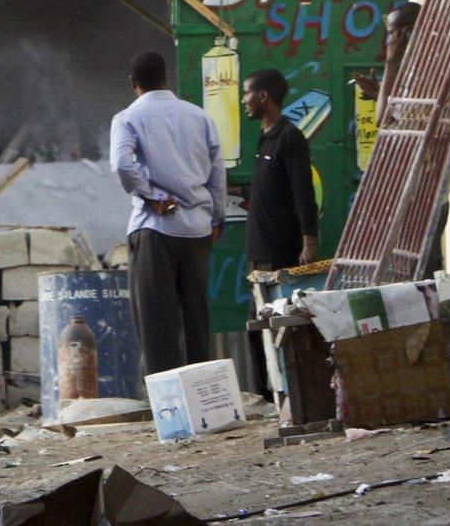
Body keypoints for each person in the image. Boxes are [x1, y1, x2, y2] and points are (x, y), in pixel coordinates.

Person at [110, 50, 225, 379]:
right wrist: (216, 218)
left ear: (134, 83)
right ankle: (204, 404)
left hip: (154, 231)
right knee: (196, 323)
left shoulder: (128, 118)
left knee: (156, 324)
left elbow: (121, 165)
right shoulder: (199, 117)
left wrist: (153, 195)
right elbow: (218, 174)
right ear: (165, 79)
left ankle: (169, 411)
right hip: (198, 231)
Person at [241, 66, 319, 394]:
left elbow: (303, 192)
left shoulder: (290, 138)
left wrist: (308, 239)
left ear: (264, 96)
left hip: (280, 253)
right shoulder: (264, 137)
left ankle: (287, 396)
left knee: (280, 329)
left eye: (247, 94)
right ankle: (264, 395)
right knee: (256, 329)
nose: (244, 101)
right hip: (258, 255)